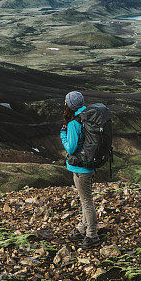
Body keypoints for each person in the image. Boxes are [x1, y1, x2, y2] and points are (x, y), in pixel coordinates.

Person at [60, 90, 101, 249]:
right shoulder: (87, 116)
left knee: (86, 202)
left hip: (80, 168)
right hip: (89, 165)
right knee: (85, 201)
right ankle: (82, 228)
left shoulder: (73, 123)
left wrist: (63, 134)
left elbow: (71, 148)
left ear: (69, 104)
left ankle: (92, 235)